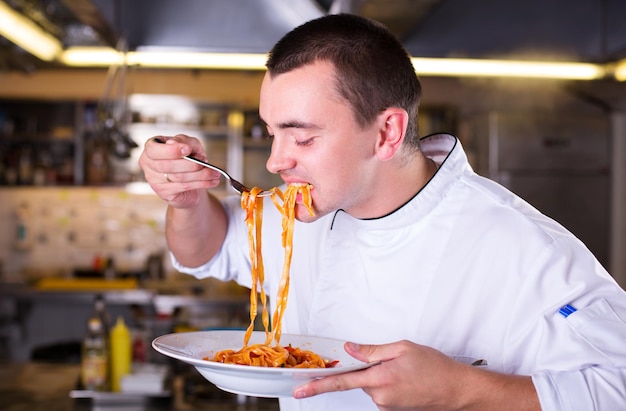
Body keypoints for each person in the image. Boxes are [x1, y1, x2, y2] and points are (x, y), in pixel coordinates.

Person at [139, 13, 626, 411]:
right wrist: (186, 202)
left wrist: (464, 390)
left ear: (387, 133)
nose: (274, 161)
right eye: (272, 132)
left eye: (303, 136)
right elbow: (207, 247)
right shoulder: (301, 208)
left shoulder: (524, 247)